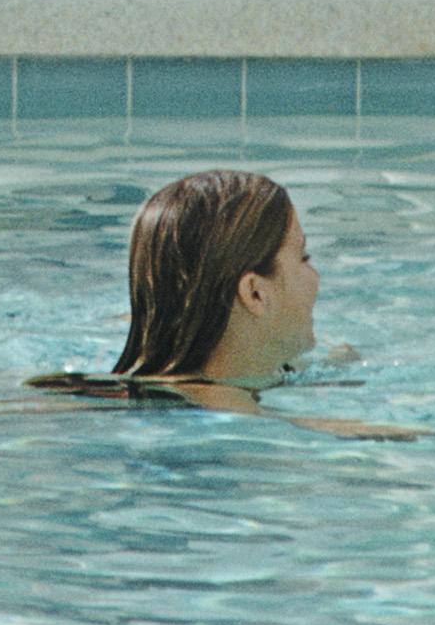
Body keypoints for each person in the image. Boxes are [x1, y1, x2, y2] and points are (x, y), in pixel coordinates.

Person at [29, 171, 405, 432]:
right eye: (303, 257)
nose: (316, 276)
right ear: (255, 293)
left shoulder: (124, 386)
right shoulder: (234, 414)